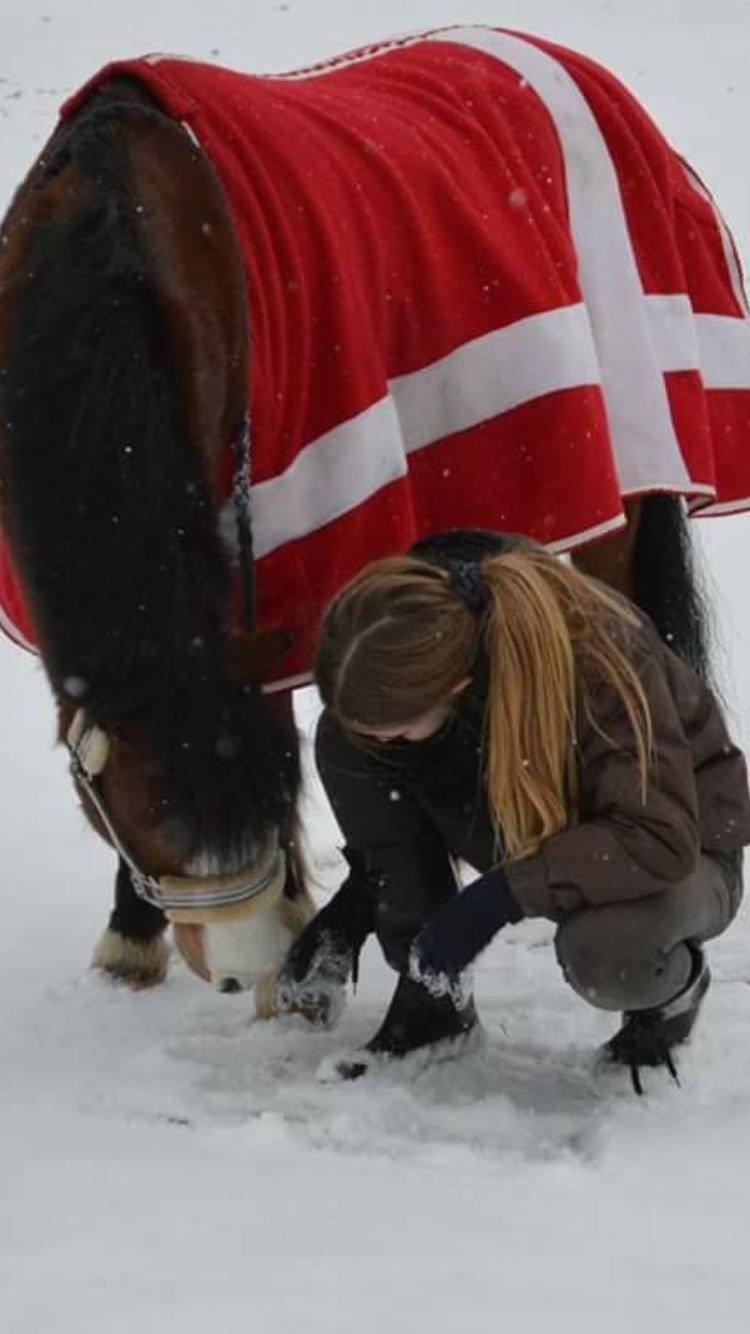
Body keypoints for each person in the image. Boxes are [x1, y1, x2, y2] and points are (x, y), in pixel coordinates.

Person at [275, 532, 750, 1092]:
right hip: (536, 822)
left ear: (456, 685)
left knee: (608, 955)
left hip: (673, 850)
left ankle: (670, 998)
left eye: (400, 728)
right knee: (349, 741)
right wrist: (364, 901)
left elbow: (654, 837)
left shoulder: (602, 663)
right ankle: (433, 1007)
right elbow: (409, 783)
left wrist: (498, 899)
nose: (389, 739)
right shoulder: (426, 630)